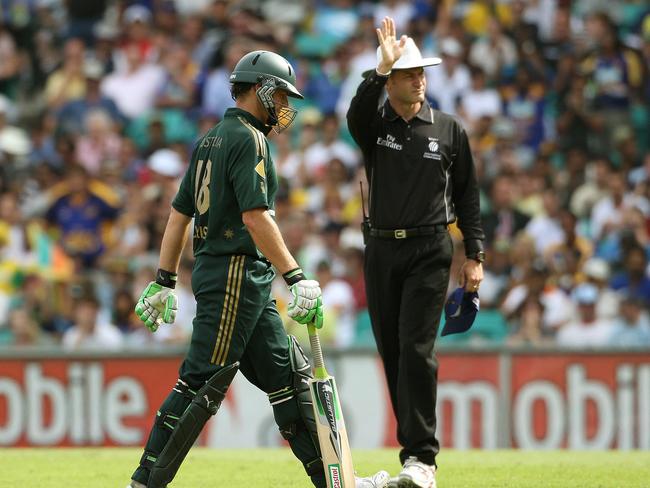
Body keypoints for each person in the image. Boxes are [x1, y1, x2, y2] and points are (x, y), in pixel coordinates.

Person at [127, 50, 389, 488]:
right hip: (236, 274)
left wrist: (164, 280)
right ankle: (144, 482)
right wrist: (296, 275)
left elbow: (178, 215)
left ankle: (339, 481)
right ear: (261, 89)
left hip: (242, 279)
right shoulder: (251, 139)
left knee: (291, 378)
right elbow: (255, 217)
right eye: (281, 96)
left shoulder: (209, 138)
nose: (285, 107)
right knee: (200, 384)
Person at [346, 18, 485, 488]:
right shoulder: (375, 125)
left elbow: (468, 196)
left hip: (430, 249)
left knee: (417, 350)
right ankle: (412, 457)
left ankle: (422, 458)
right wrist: (375, 71)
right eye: (409, 73)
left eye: (422, 72)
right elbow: (354, 116)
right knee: (393, 353)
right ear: (391, 81)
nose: (419, 79)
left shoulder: (448, 130)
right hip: (381, 249)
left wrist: (475, 255)